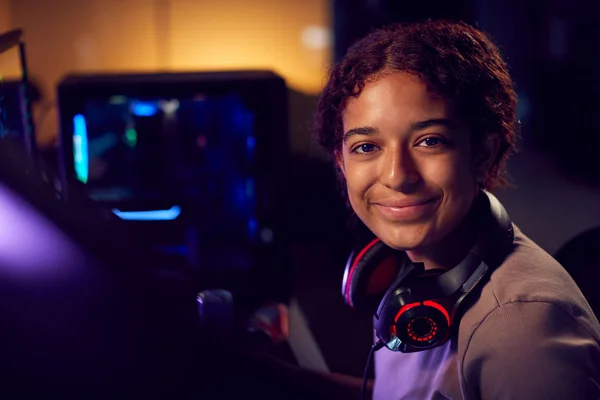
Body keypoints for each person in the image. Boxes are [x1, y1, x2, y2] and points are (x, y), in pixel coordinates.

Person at [261, 19, 600, 399]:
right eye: (366, 147)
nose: (397, 176)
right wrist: (257, 371)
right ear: (341, 162)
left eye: (429, 141)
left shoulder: (521, 329)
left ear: (483, 152)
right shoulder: (418, 271)